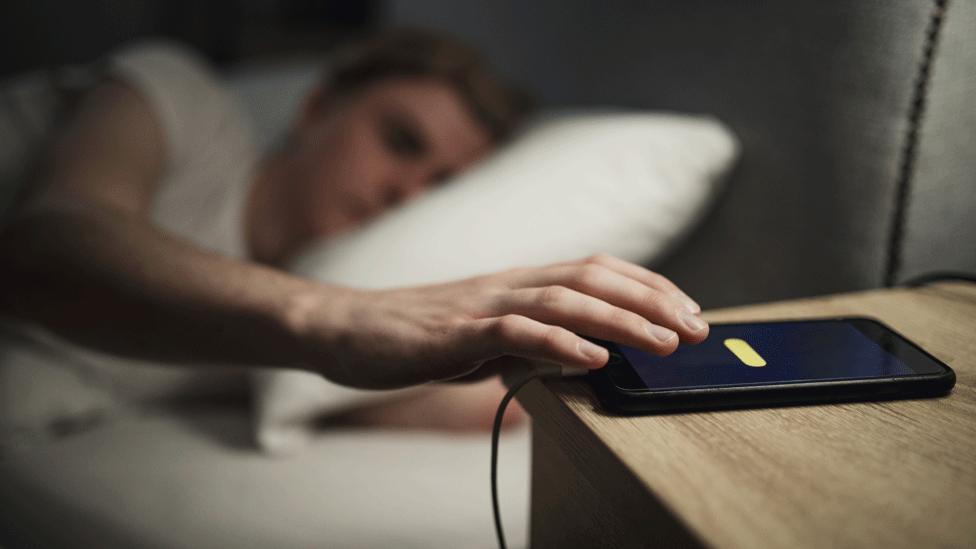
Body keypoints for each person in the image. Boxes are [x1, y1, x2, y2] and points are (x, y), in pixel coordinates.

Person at [0, 28, 709, 434]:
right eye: (401, 140)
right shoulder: (177, 97)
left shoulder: (319, 293)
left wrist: (632, 368)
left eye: (440, 187)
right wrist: (337, 317)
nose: (408, 192)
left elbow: (485, 401)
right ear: (316, 108)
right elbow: (52, 242)